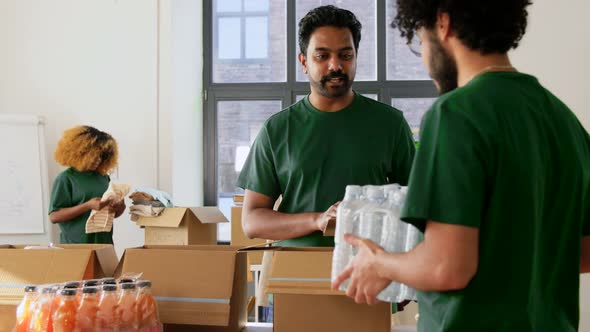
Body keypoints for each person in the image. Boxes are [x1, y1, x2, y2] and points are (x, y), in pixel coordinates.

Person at [332, 0, 590, 331]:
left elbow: (446, 267)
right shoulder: (563, 119)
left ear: (443, 23)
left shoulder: (456, 115)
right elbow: (583, 253)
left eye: (421, 41)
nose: (425, 58)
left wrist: (380, 264)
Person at [236, 5, 416, 247]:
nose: (335, 66)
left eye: (345, 55)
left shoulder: (390, 124)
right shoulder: (276, 130)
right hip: (293, 274)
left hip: (370, 272)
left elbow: (415, 207)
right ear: (304, 62)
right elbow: (252, 221)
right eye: (322, 56)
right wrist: (318, 220)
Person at [49, 125, 126, 244]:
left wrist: (119, 206)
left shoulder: (103, 178)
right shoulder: (66, 178)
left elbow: (112, 215)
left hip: (104, 244)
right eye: (94, 155)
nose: (98, 160)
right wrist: (87, 206)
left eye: (102, 155)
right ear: (81, 153)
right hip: (76, 246)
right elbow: (54, 216)